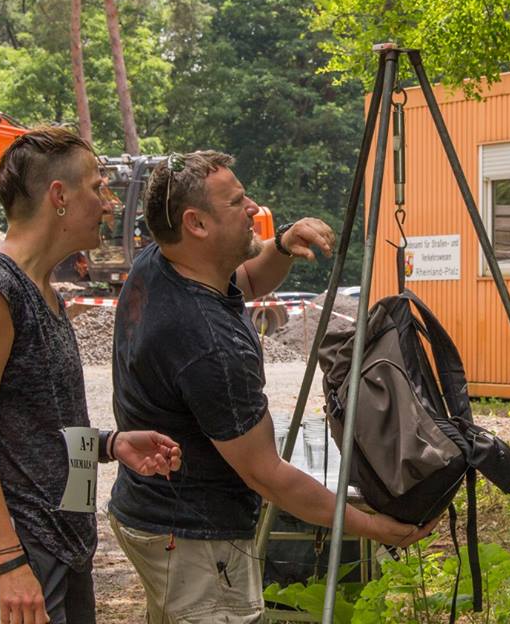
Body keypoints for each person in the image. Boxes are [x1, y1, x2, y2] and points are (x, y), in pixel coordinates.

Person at [109, 151, 437, 622]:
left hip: (153, 512)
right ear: (196, 223)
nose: (253, 208)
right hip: (196, 541)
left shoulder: (162, 262)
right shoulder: (209, 344)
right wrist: (377, 527)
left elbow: (246, 278)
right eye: (238, 201)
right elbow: (268, 475)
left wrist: (281, 246)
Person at [0, 128, 183, 624]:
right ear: (59, 197)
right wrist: (8, 562)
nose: (109, 203)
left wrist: (111, 444)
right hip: (20, 546)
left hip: (60, 543)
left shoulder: (44, 290)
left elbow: (35, 429)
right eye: (98, 187)